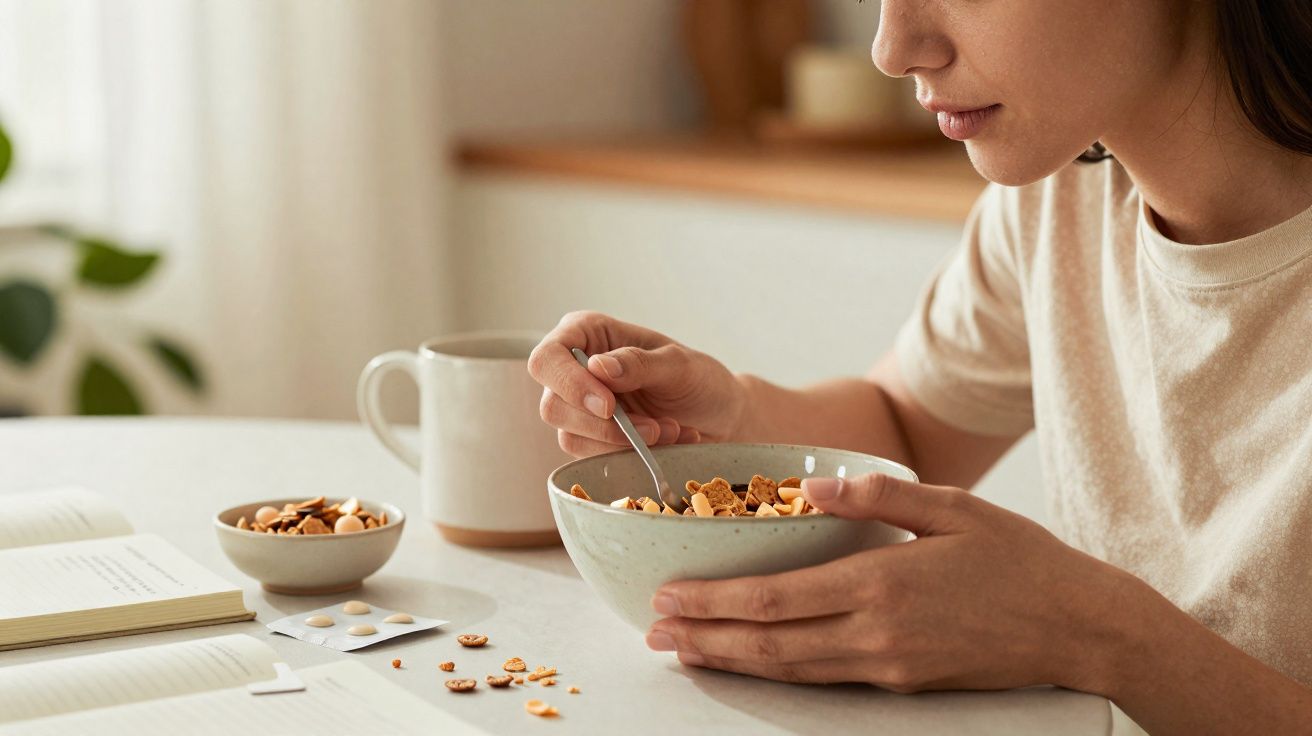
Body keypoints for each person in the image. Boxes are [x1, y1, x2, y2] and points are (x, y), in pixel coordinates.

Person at [528, 1, 1312, 733]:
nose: (891, 49)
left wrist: (1095, 634)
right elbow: (906, 426)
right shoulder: (1057, 201)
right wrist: (727, 418)